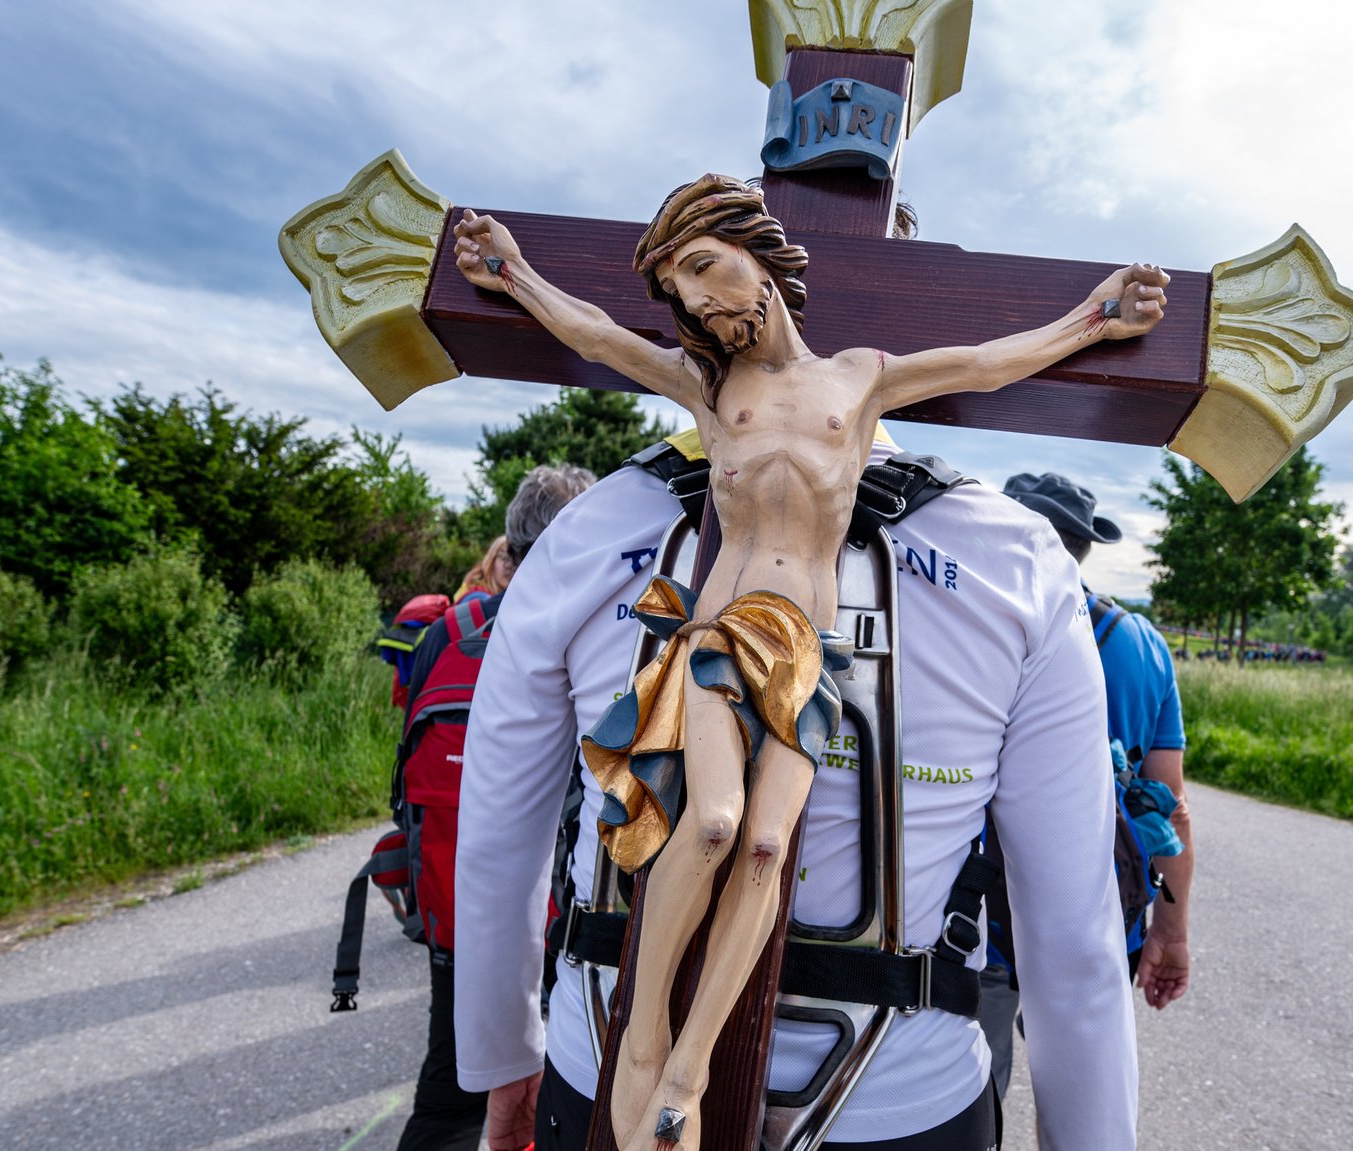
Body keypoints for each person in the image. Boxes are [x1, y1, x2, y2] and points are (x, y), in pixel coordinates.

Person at [450, 174, 1167, 1150]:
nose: (698, 302)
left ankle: (689, 1059)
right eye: (680, 288)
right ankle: (650, 1044)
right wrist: (513, 274)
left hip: (804, 658)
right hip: (718, 652)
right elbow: (599, 336)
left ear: (767, 258)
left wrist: (1096, 316)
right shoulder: (1009, 559)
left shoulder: (592, 528)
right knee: (706, 823)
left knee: (759, 844)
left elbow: (996, 358)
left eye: (704, 269)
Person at [396, 466, 595, 1151]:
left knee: (449, 1094)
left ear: (507, 556)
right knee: (556, 1093)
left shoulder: (446, 632)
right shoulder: (595, 642)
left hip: (450, 901)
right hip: (560, 919)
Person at [1002, 472, 1194, 1005]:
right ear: (1083, 548)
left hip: (978, 916)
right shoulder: (1144, 645)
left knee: (972, 1074)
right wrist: (1171, 932)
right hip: (1105, 908)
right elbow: (1170, 808)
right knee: (1084, 1076)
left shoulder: (977, 625)